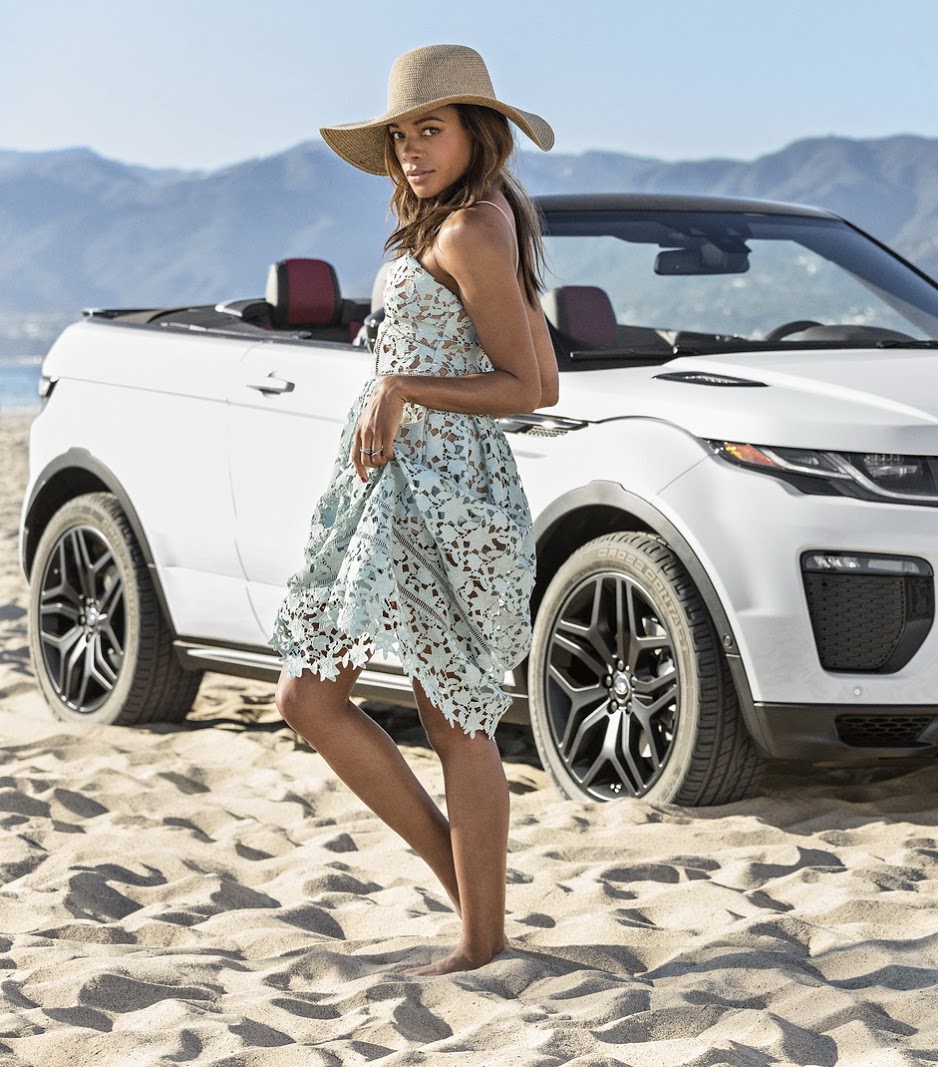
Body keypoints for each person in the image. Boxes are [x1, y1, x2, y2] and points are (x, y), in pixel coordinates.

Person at [269, 43, 559, 976]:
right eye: (400, 136)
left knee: (453, 721)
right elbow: (543, 372)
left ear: (478, 133)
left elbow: (530, 388)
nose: (410, 150)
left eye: (429, 130)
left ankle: (479, 937)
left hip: (445, 498)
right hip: (387, 493)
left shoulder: (474, 227)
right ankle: (474, 902)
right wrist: (399, 391)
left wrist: (402, 388)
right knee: (308, 697)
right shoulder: (466, 219)